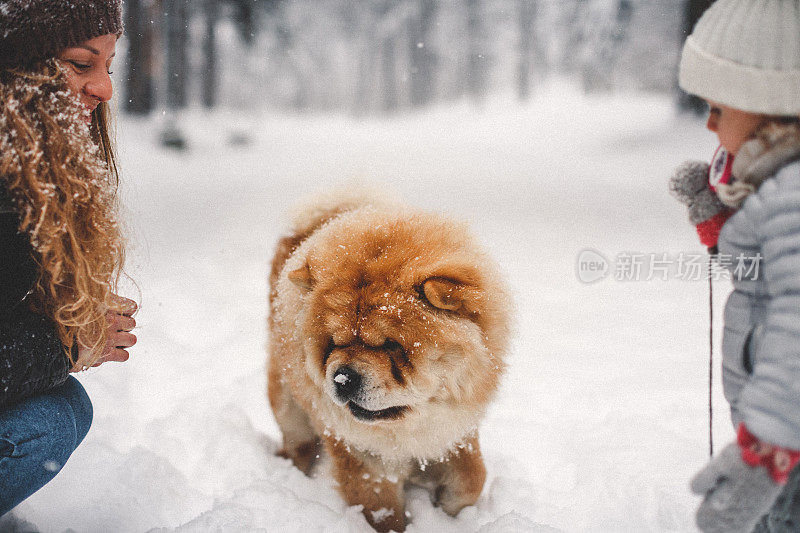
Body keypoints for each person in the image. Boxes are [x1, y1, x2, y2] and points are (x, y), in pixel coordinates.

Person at [0, 0, 137, 516]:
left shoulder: (29, 175)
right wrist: (68, 340)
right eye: (82, 64)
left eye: (108, 66)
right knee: (50, 423)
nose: (103, 88)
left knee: (63, 409)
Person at [672, 0, 800, 531]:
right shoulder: (775, 190)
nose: (708, 121)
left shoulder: (792, 197)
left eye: (719, 109)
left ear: (771, 107)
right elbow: (770, 283)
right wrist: (724, 232)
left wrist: (764, 452)